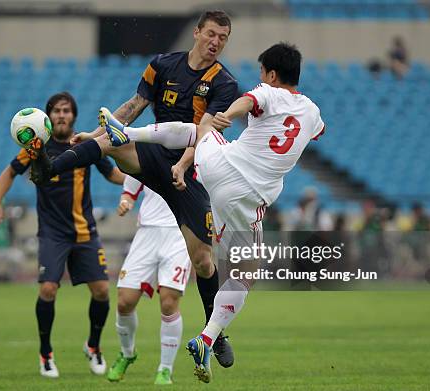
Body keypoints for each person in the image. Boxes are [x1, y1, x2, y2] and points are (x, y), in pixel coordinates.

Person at [100, 42, 326, 383]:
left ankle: (128, 133)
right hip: (249, 197)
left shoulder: (267, 92)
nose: (260, 78)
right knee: (244, 273)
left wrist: (227, 115)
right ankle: (208, 336)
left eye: (263, 73)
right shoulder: (311, 111)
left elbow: (250, 101)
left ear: (272, 74)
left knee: (201, 128)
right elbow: (318, 132)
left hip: (216, 171)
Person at [28, 10, 238, 368]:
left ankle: (214, 332)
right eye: (212, 34)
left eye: (223, 38)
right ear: (197, 32)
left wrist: (183, 165)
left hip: (188, 174)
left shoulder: (224, 84)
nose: (216, 42)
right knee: (110, 141)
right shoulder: (162, 65)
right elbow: (131, 109)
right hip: (153, 156)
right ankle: (52, 165)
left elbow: (204, 133)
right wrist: (94, 136)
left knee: (203, 260)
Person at [0, 92, 125, 378]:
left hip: (84, 229)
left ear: (74, 115)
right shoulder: (37, 147)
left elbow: (112, 175)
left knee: (101, 290)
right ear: (48, 117)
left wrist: (146, 179)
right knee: (48, 289)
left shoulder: (84, 145)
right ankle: (46, 353)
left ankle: (94, 346)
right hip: (52, 232)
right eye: (57, 111)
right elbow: (10, 173)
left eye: (66, 110)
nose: (62, 115)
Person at [107, 175, 191, 385]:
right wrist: (126, 201)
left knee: (169, 301)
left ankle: (165, 369)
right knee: (124, 301)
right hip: (147, 233)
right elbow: (130, 189)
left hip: (179, 234)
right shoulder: (146, 153)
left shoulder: (194, 153)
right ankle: (127, 353)